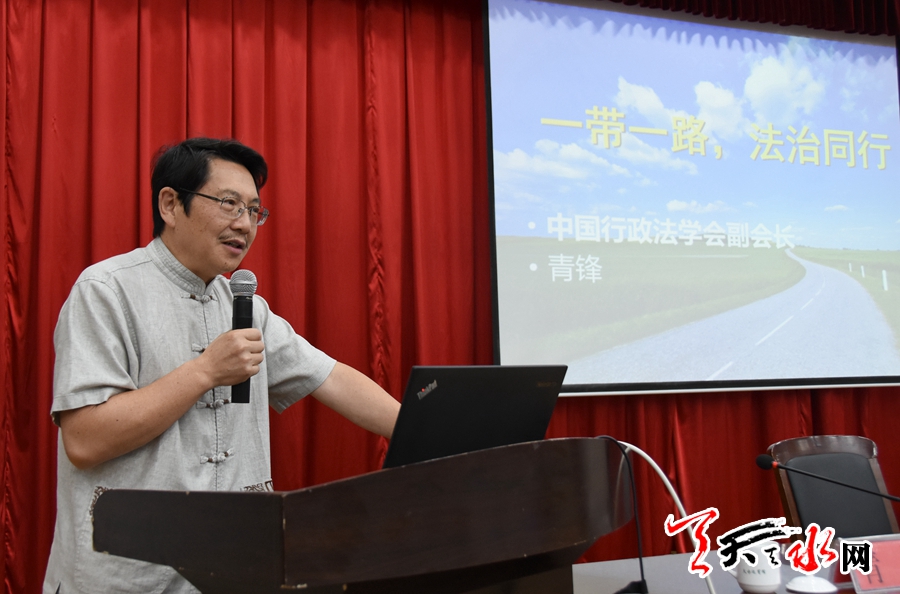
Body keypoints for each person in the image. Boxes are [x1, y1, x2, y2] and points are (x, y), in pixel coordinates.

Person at [42, 138, 400, 594]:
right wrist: (205, 371)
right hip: (128, 575)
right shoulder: (105, 291)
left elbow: (331, 378)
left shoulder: (244, 306)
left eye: (254, 210)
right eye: (229, 204)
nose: (244, 224)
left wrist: (421, 430)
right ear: (171, 205)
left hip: (228, 571)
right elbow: (84, 440)